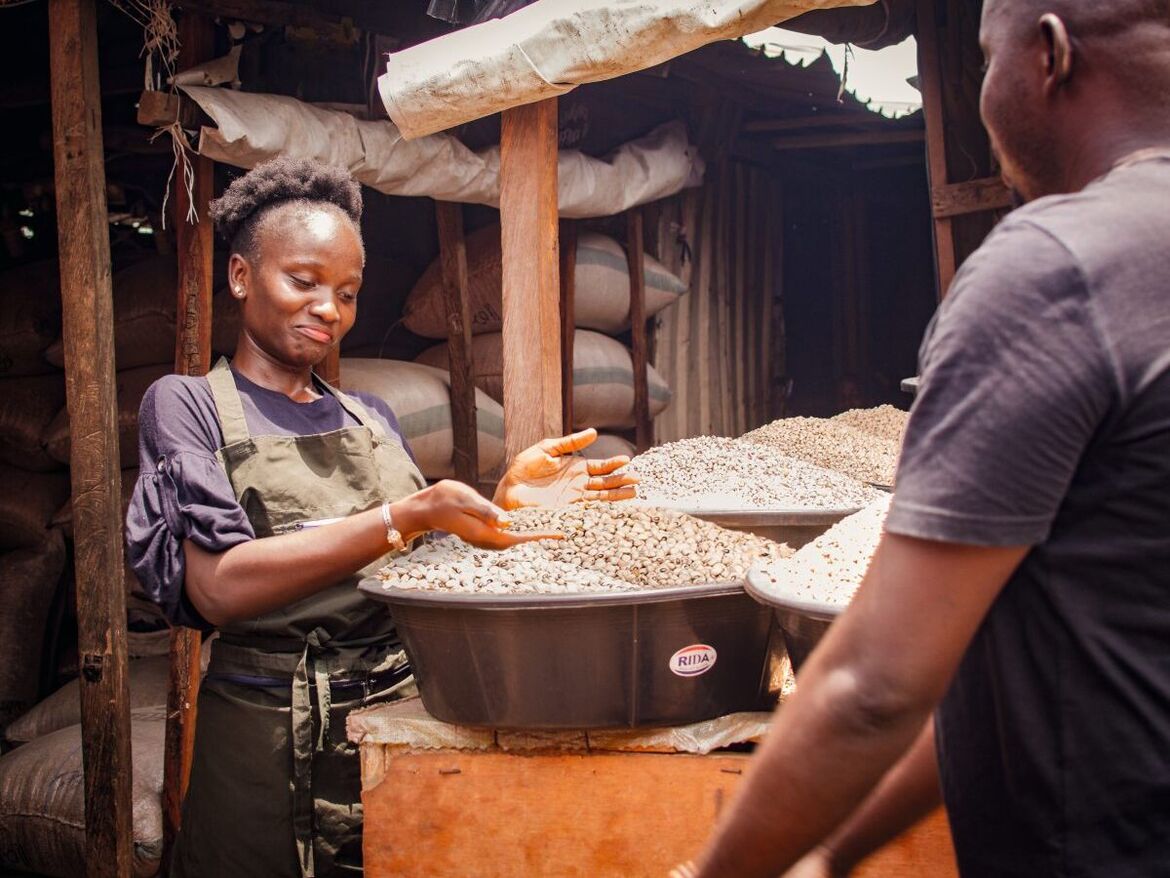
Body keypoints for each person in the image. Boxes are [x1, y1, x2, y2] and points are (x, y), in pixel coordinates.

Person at [677, 2, 1170, 876]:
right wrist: (833, 850)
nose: (981, 93)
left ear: (1048, 56)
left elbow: (874, 687)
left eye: (985, 60)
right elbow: (1031, 663)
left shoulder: (1055, 269)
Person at [125, 156, 637, 877]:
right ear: (242, 276)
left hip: (395, 722)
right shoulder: (187, 405)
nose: (328, 309)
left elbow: (414, 563)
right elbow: (219, 587)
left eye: (347, 293)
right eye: (302, 282)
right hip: (267, 738)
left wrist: (500, 503)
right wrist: (412, 512)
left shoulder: (372, 416)